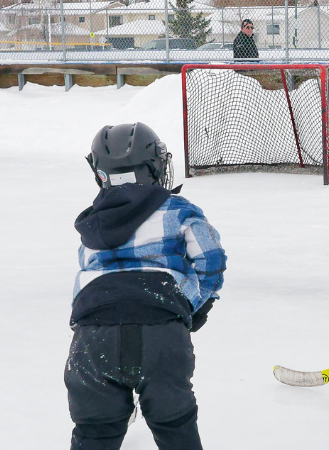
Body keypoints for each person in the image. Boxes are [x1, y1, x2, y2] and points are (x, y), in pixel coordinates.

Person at [65, 122, 227, 450]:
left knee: (95, 429)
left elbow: (88, 278)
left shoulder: (92, 224)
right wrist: (189, 304)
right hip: (161, 330)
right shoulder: (180, 211)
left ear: (101, 174)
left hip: (94, 334)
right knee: (174, 424)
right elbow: (211, 260)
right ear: (156, 168)